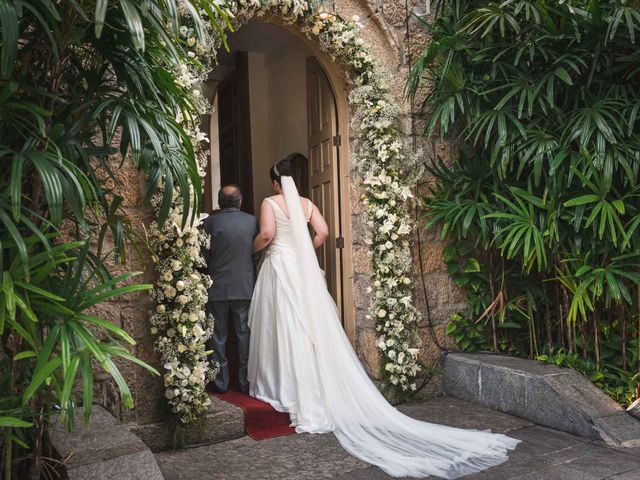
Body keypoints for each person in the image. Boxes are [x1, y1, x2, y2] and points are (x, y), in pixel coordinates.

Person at [247, 158, 520, 479]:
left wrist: (253, 250)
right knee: (312, 329)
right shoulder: (307, 203)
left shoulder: (269, 202)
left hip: (280, 268)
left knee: (284, 326)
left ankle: (287, 389)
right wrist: (305, 250)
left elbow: (266, 234)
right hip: (303, 271)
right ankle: (317, 388)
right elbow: (323, 232)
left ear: (276, 183)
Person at [202, 185, 259, 393]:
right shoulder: (252, 222)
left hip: (217, 287)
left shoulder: (209, 223)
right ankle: (245, 383)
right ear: (240, 201)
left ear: (219, 202)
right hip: (244, 286)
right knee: (244, 336)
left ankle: (220, 383)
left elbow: (203, 254)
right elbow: (257, 253)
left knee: (218, 337)